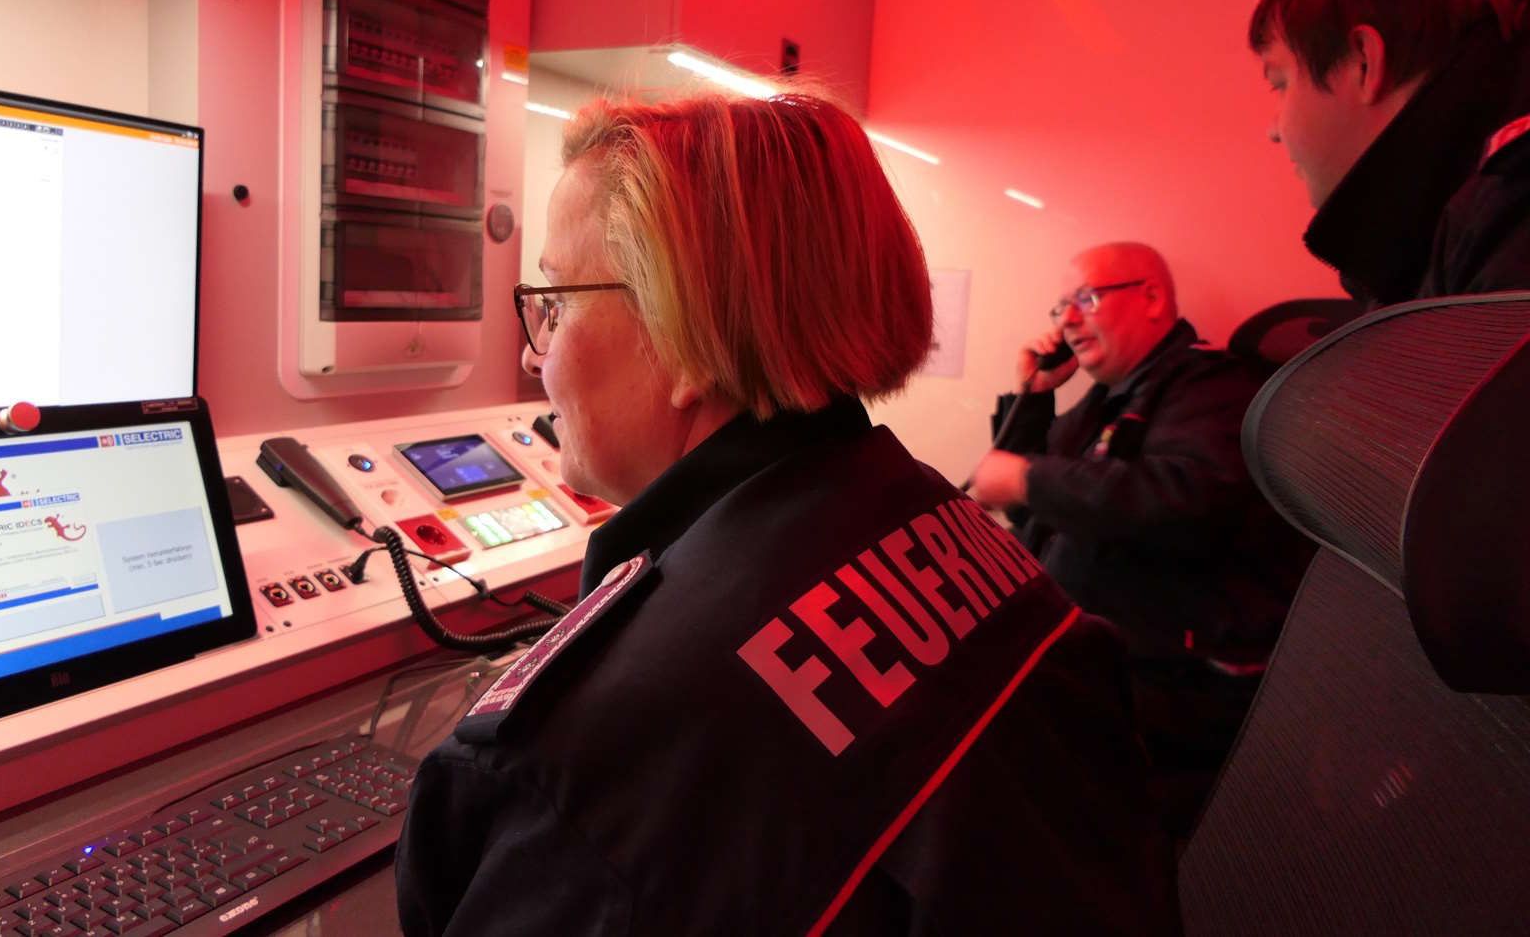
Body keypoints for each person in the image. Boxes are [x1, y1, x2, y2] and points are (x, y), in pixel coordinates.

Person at [395, 94, 1177, 934]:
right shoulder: (945, 528)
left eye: (554, 303)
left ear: (682, 341)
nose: (531, 352)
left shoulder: (588, 762)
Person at [970, 242, 1311, 839]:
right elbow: (1034, 501)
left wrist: (1029, 479)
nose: (1067, 320)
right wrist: (1036, 393)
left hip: (1171, 689)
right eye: (1060, 308)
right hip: (1097, 665)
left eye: (1085, 299)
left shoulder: (1211, 384)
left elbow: (1184, 499)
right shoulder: (1112, 397)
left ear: (1151, 298)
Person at [1251, 0, 1530, 303]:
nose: (1274, 130)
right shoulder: (1472, 227)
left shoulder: (1508, 217)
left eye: (1281, 82)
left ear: (1364, 62)